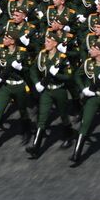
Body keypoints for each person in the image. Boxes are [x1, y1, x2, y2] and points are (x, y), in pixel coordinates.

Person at [26, 29, 76, 159]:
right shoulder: (42, 55)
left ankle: (69, 135)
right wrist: (36, 82)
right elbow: (33, 69)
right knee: (42, 117)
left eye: (48, 41)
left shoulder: (62, 58)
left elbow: (69, 77)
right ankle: (35, 146)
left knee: (63, 115)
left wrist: (57, 74)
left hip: (59, 90)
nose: (45, 43)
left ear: (55, 43)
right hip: (46, 90)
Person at [0, 30, 31, 154]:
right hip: (6, 86)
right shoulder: (0, 50)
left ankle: (27, 131)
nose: (4, 39)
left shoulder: (22, 52)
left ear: (13, 41)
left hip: (19, 86)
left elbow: (29, 69)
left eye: (7, 37)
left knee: (22, 110)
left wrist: (21, 68)